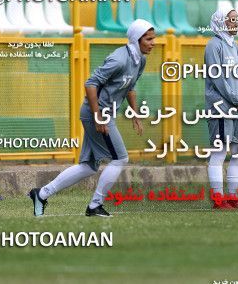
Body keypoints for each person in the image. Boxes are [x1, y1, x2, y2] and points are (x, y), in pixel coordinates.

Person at [29, 19, 156, 217]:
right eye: (148, 39)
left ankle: (42, 194)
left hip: (103, 113)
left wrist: (135, 113)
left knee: (88, 166)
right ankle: (95, 205)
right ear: (136, 39)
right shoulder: (119, 59)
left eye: (153, 38)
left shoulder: (140, 60)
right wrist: (98, 117)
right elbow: (90, 84)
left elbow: (130, 87)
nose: (153, 43)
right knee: (120, 158)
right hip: (97, 113)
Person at [204, 5, 238, 209]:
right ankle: (218, 199)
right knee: (220, 152)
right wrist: (235, 98)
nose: (235, 23)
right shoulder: (213, 46)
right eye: (231, 19)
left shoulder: (236, 46)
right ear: (221, 21)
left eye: (236, 19)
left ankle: (233, 197)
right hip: (222, 107)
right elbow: (218, 78)